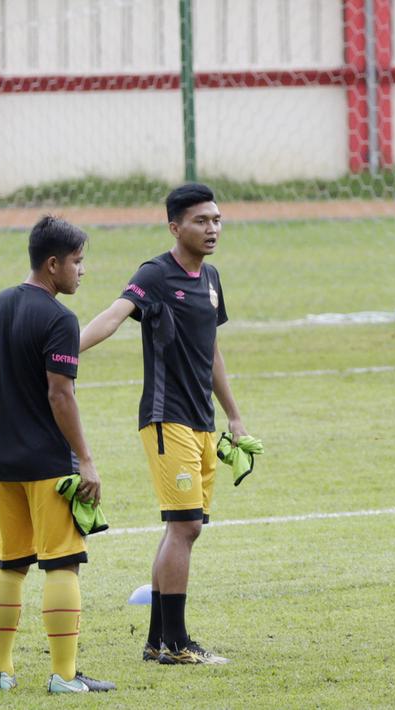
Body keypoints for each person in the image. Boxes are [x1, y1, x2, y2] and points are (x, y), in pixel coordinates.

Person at [80, 183, 253, 665]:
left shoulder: (212, 277)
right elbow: (115, 316)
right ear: (175, 227)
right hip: (165, 419)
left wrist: (234, 416)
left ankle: (159, 641)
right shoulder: (155, 275)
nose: (212, 228)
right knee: (186, 526)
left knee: (183, 527)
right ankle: (177, 644)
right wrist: (64, 348)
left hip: (201, 421)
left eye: (217, 219)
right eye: (201, 221)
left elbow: (211, 349)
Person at [0, 216, 114, 693]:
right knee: (62, 563)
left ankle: (0, 673)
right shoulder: (59, 319)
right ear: (53, 263)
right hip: (47, 464)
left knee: (9, 563)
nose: (83, 271)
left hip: (1, 461)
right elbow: (61, 394)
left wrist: (7, 433)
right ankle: (63, 676)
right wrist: (86, 460)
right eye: (78, 262)